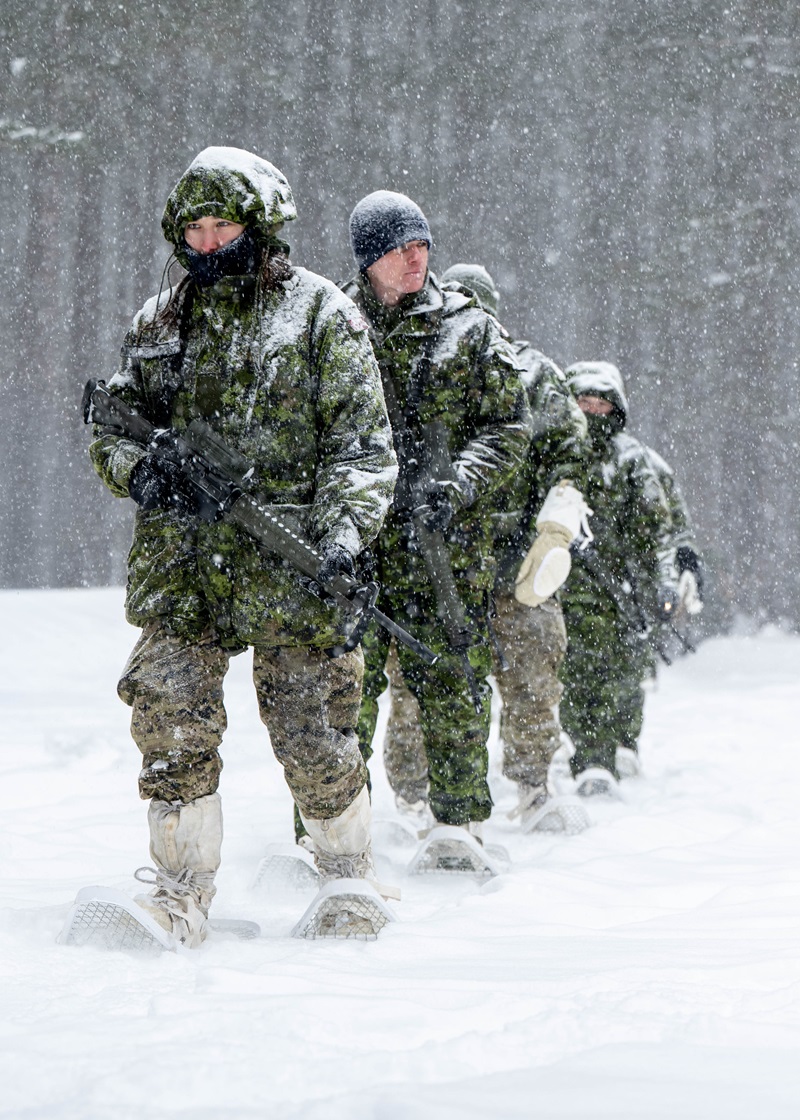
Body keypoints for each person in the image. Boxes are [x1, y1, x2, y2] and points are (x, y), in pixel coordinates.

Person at [85, 147, 398, 944]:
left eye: (222, 221)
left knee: (311, 728)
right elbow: (112, 427)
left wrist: (338, 537)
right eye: (193, 224)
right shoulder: (159, 321)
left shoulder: (321, 314)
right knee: (168, 717)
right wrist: (144, 474)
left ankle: (348, 876)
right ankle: (180, 890)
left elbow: (363, 448)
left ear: (258, 224)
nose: (207, 237)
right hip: (183, 567)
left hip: (288, 557)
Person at [341, 193, 532, 858]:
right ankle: (334, 831)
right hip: (355, 543)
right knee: (341, 689)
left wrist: (460, 483)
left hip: (443, 545)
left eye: (422, 244)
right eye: (400, 247)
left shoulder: (468, 328)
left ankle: (459, 826)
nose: (416, 257)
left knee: (454, 680)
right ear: (369, 258)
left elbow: (511, 427)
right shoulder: (333, 325)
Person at [380, 263, 594, 834]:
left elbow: (571, 454)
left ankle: (531, 783)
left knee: (531, 671)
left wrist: (556, 522)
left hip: (516, 557)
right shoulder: (419, 363)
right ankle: (413, 791)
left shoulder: (531, 372)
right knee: (421, 678)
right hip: (435, 556)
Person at [558, 360, 679, 795]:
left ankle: (612, 750)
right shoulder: (552, 449)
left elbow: (656, 531)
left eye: (600, 403)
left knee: (621, 679)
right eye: (582, 402)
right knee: (572, 678)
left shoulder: (632, 460)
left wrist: (662, 583)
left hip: (618, 593)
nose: (591, 411)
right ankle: (588, 758)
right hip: (560, 590)